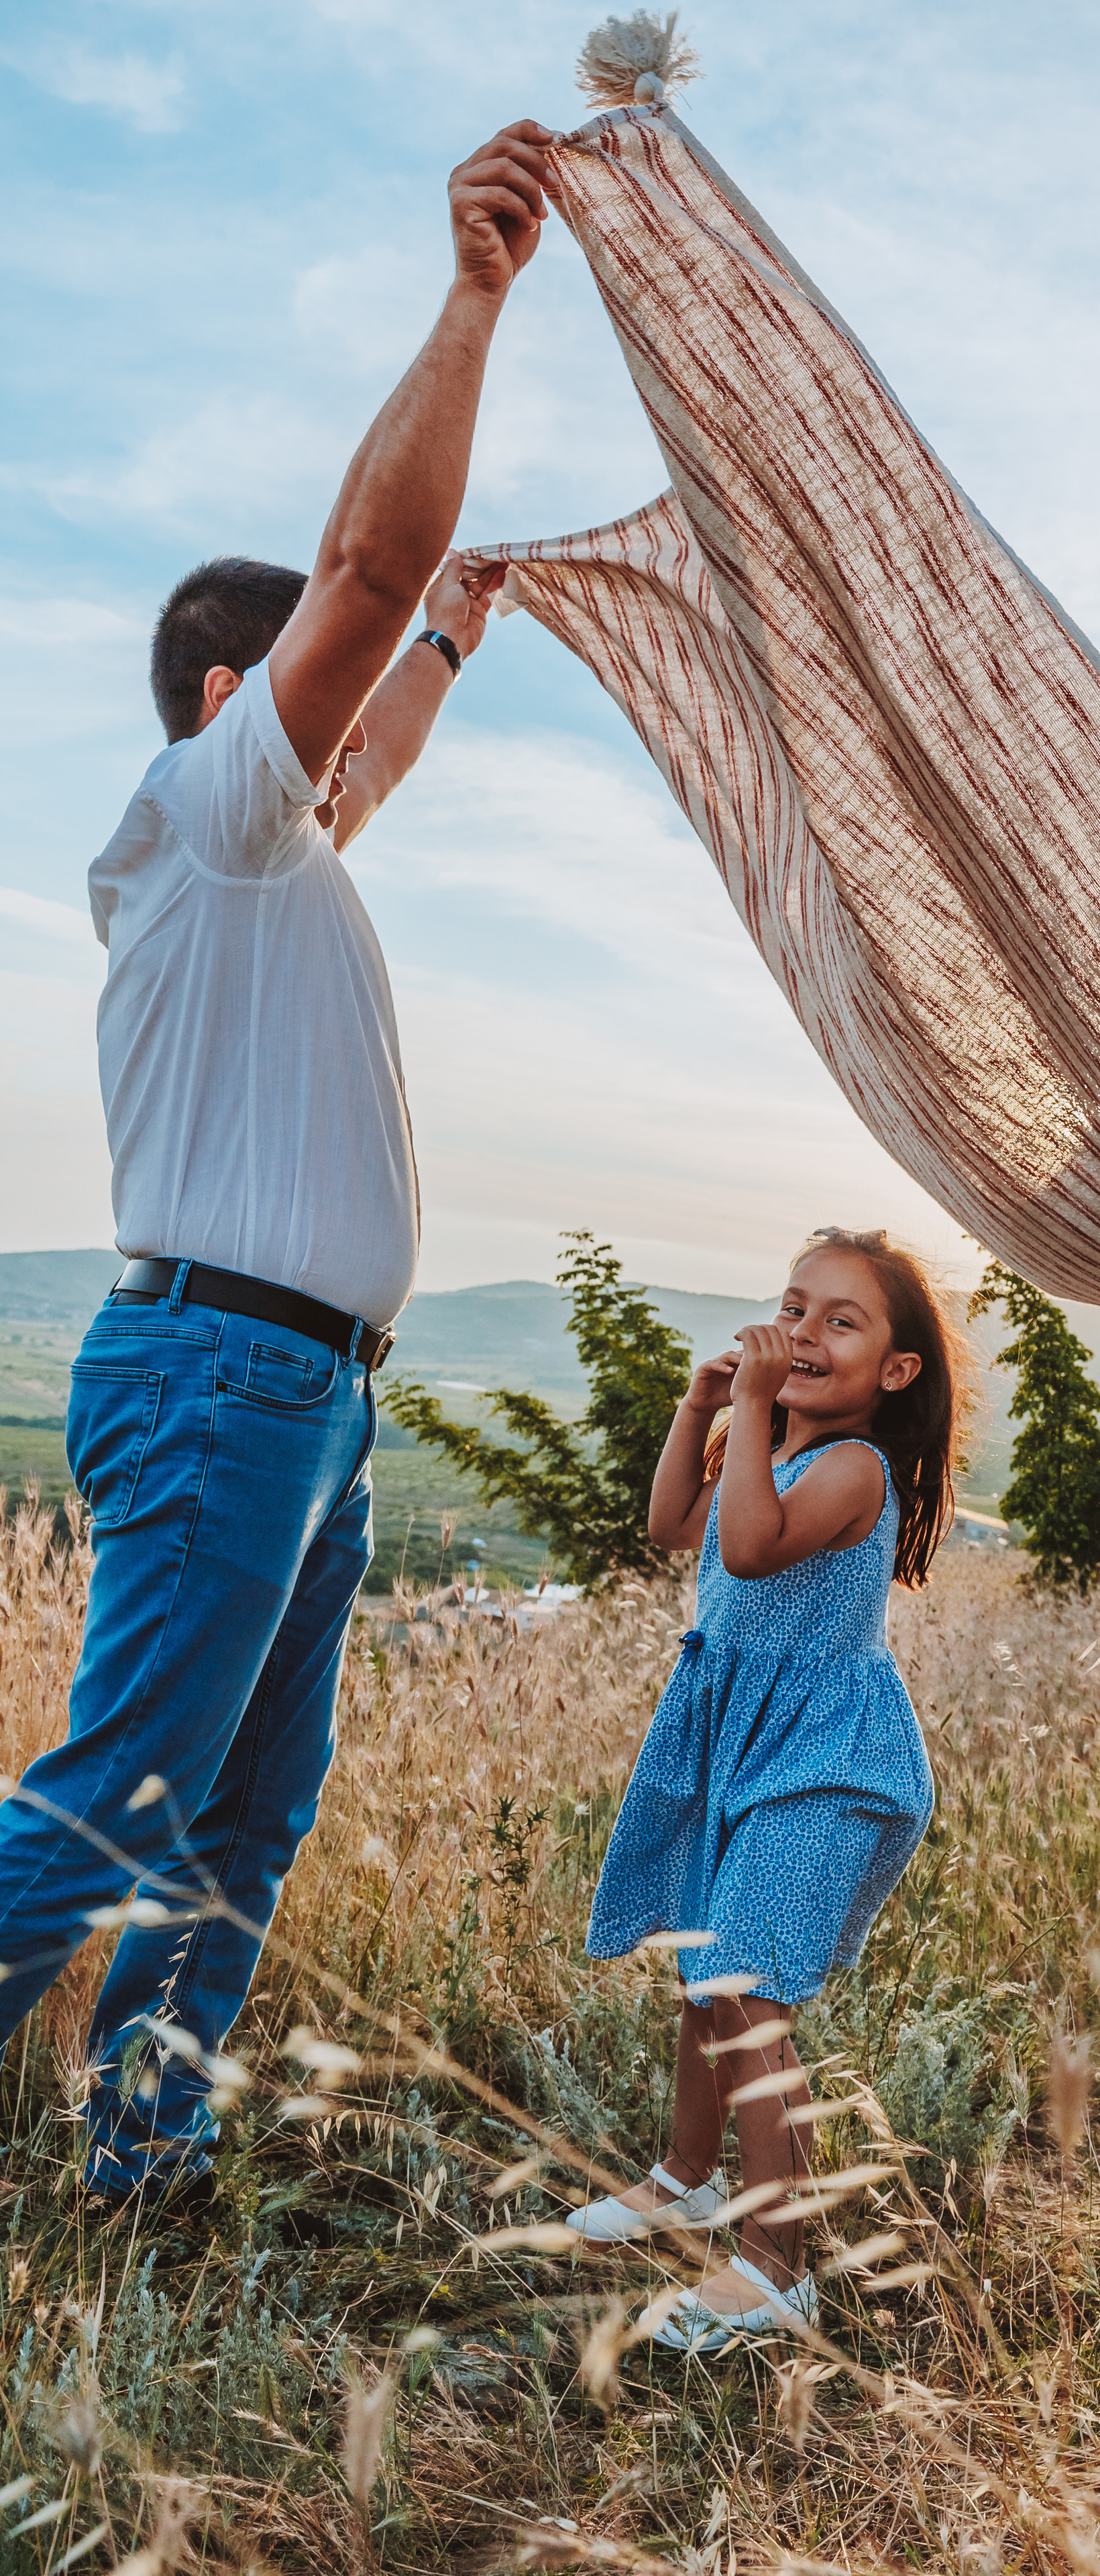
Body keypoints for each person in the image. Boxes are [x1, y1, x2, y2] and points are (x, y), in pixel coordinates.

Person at [0, 119, 557, 2202]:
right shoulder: (210, 812)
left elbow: (382, 713)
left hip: (303, 1397)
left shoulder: (274, 851)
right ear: (241, 699)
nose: (344, 735)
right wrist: (478, 299)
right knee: (120, 1803)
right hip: (230, 1382)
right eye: (318, 686)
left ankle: (137, 2170)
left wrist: (453, 641)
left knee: (238, 1821)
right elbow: (365, 576)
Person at [567, 1228, 969, 2349]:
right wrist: (700, 1408)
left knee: (745, 1993)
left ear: (896, 1371)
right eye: (795, 1309)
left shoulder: (854, 1469)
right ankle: (686, 2179)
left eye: (841, 1321)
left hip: (828, 1762)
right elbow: (674, 1528)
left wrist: (750, 1407)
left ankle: (776, 2270)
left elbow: (747, 1550)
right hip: (743, 1750)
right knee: (708, 1977)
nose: (802, 1334)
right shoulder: (772, 1456)